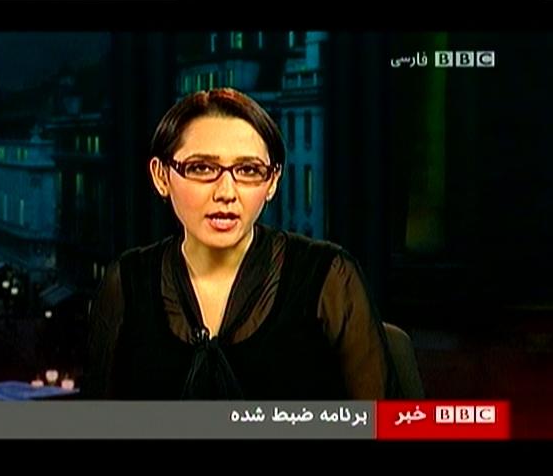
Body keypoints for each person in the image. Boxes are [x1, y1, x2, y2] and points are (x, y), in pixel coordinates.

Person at [81, 87, 398, 400]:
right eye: (202, 168)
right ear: (161, 175)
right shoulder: (126, 281)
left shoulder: (329, 277)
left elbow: (384, 421)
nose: (226, 193)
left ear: (272, 181)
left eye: (248, 170)